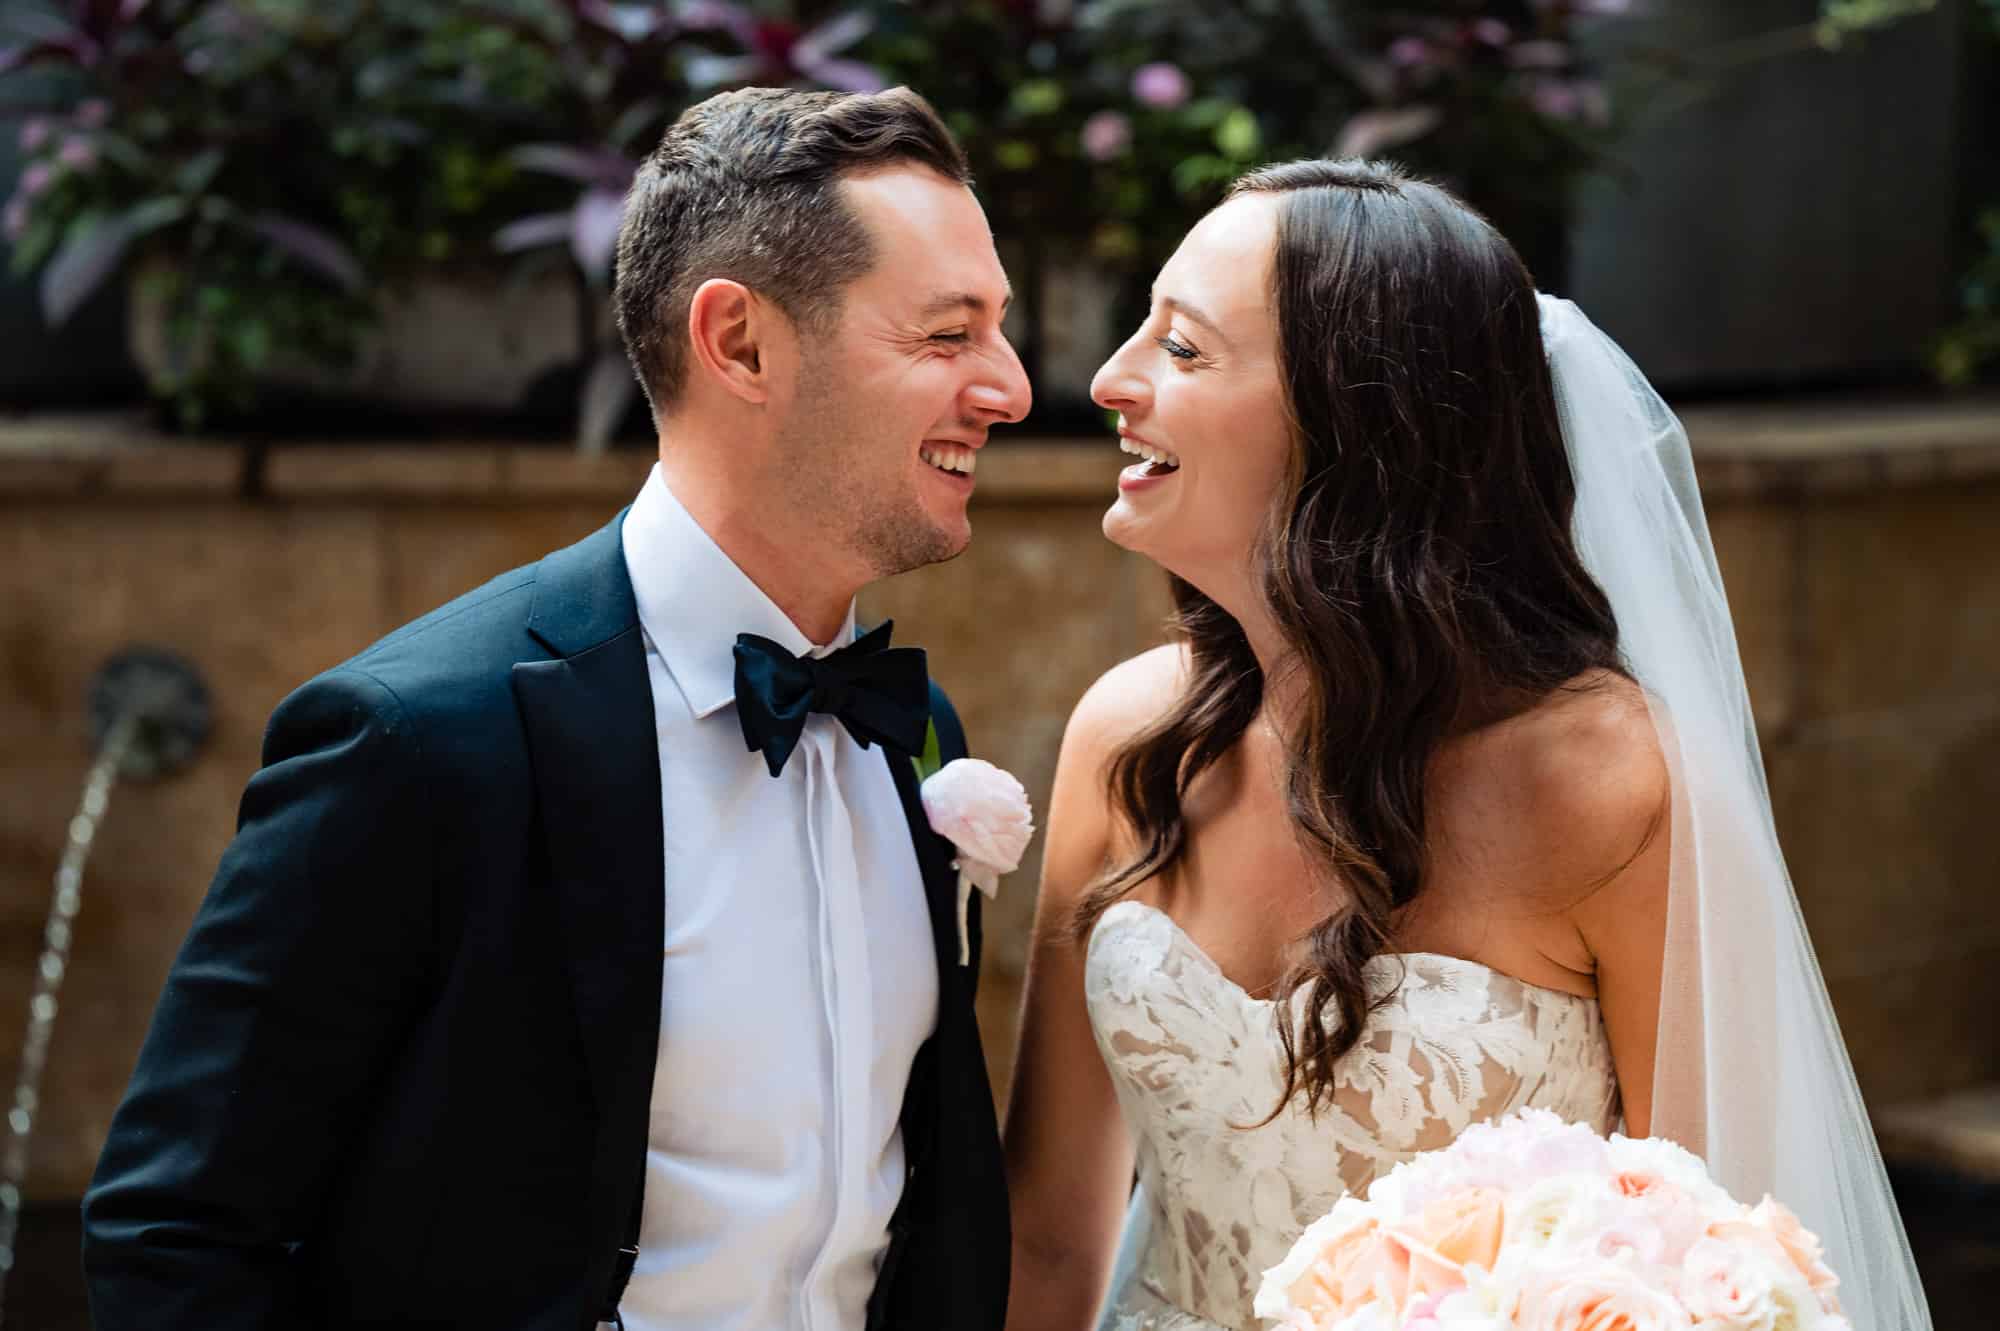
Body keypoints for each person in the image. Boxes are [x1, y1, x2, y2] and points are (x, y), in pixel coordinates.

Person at [82, 85, 1030, 1331]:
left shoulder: (916, 732)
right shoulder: (417, 741)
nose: (1008, 387)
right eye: (947, 334)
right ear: (739, 342)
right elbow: (180, 1230)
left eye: (998, 331)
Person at [1003, 159, 1931, 1331]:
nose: (1107, 379)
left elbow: (1708, 1257)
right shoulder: (1128, 738)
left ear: (1355, 420)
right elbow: (1043, 1240)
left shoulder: (1606, 783)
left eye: (1182, 350)